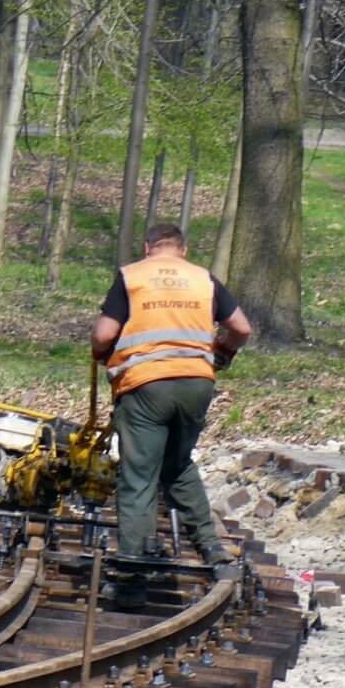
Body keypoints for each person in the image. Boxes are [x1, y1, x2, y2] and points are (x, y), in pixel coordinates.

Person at [90, 222, 252, 571]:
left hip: (147, 385)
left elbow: (104, 334)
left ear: (148, 248)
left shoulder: (132, 276)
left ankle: (134, 568)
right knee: (176, 463)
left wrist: (101, 353)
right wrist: (222, 352)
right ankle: (211, 546)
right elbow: (242, 328)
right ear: (183, 250)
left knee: (139, 475)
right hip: (197, 383)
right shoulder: (203, 278)